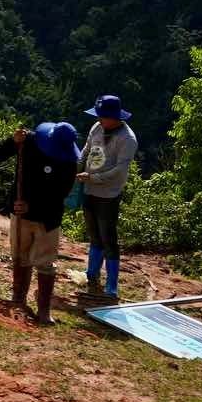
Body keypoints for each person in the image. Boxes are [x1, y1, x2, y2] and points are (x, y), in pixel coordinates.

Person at [0, 122, 82, 325]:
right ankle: (18, 300)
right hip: (20, 216)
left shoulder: (68, 162)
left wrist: (31, 205)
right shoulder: (29, 141)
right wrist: (11, 142)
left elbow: (60, 194)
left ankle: (44, 310)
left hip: (47, 220)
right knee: (20, 257)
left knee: (45, 263)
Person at [79, 94, 138, 300]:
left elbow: (120, 170)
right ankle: (91, 274)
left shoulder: (127, 139)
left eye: (102, 117)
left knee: (108, 238)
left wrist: (94, 177)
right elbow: (86, 152)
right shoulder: (96, 128)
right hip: (89, 190)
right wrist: (77, 168)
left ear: (114, 117)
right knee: (94, 235)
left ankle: (112, 284)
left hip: (109, 194)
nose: (99, 120)